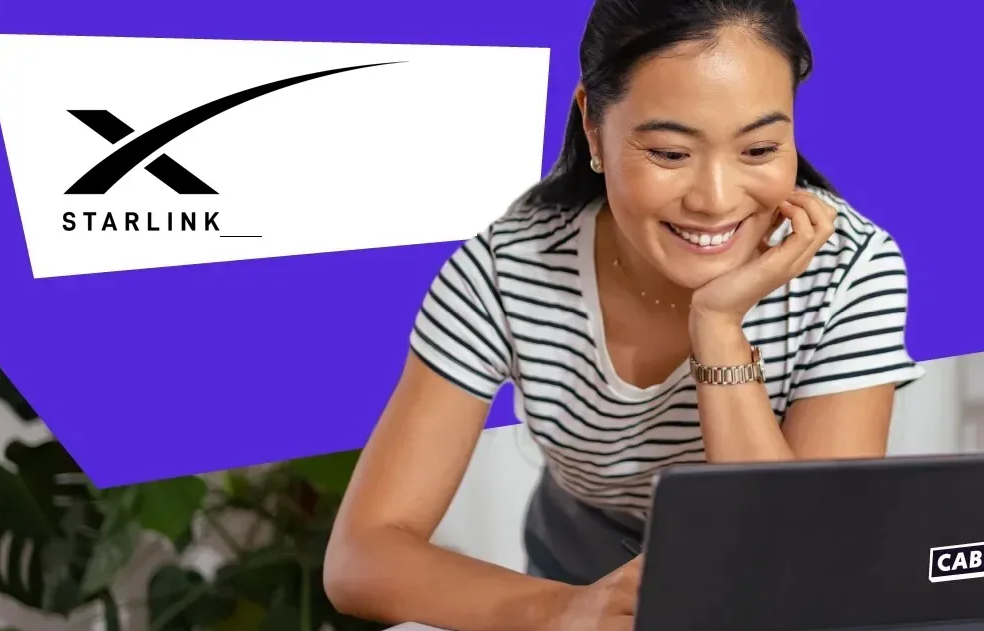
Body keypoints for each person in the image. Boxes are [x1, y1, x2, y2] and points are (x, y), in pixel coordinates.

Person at [323, 0, 924, 628]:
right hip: (576, 566)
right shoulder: (508, 271)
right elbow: (362, 554)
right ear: (593, 127)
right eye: (669, 152)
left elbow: (799, 566)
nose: (715, 201)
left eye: (759, 148)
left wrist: (717, 332)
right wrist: (568, 611)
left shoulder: (848, 266)